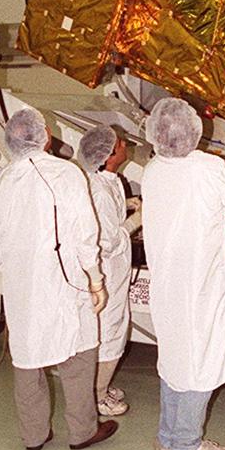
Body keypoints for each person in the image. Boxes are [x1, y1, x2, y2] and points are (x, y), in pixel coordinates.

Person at [0, 108, 117, 450]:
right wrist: (95, 279)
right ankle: (82, 430)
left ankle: (34, 435)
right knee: (78, 354)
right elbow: (86, 233)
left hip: (20, 285)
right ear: (43, 136)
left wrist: (17, 273)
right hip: (65, 280)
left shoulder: (1, 182)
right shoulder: (67, 173)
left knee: (27, 361)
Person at [140, 97, 225, 450]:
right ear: (195, 130)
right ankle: (187, 443)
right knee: (202, 358)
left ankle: (168, 436)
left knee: (174, 356)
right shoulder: (210, 167)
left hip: (168, 280)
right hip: (203, 281)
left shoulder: (153, 169)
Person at [76, 123, 139, 417]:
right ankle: (98, 396)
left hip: (115, 269)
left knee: (111, 328)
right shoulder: (99, 189)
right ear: (109, 155)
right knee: (111, 331)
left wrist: (127, 204)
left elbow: (108, 213)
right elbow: (110, 240)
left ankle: (99, 386)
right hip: (107, 270)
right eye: (121, 143)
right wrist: (138, 220)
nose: (126, 145)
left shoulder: (108, 180)